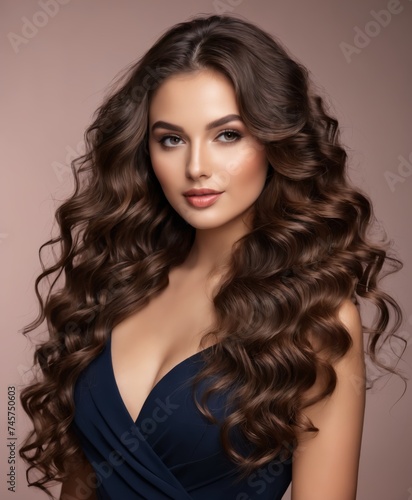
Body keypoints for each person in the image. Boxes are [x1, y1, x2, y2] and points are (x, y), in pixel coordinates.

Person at [19, 13, 404, 500]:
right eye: (171, 139)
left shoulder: (316, 320)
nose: (196, 167)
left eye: (228, 135)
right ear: (146, 150)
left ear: (274, 141)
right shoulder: (116, 286)